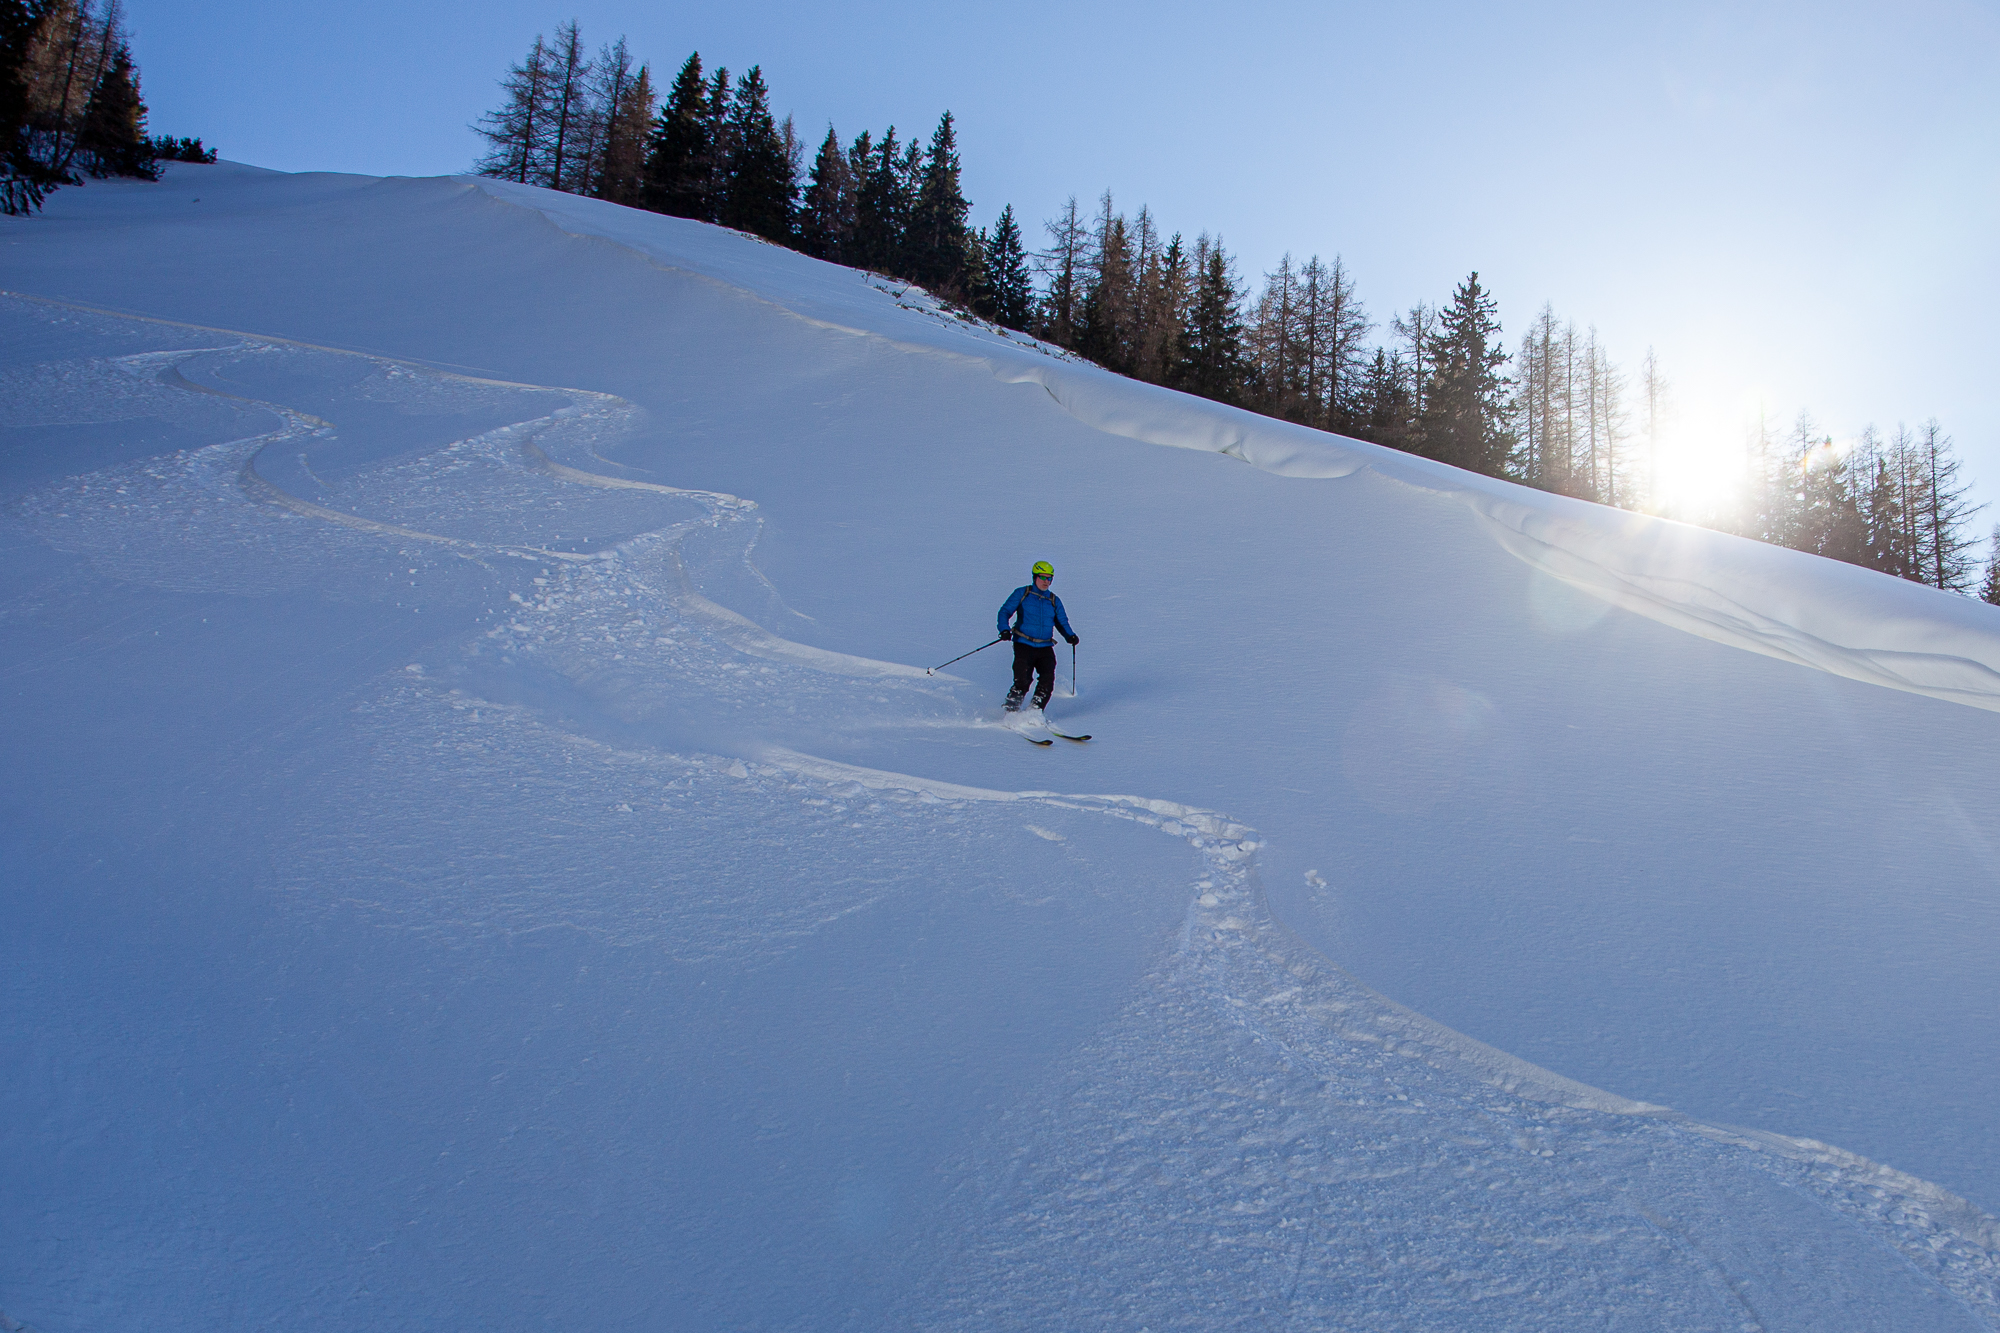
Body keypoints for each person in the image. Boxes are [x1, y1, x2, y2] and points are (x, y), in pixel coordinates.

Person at [997, 560, 1078, 712]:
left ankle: (1034, 711)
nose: (1046, 581)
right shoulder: (1022, 593)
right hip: (1023, 644)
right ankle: (1010, 710)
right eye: (1043, 577)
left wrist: (1070, 636)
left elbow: (1062, 622)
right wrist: (1004, 629)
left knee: (1047, 681)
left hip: (1045, 647)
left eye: (1050, 578)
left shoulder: (1054, 600)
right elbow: (1005, 612)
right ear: (1035, 577)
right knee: (1023, 680)